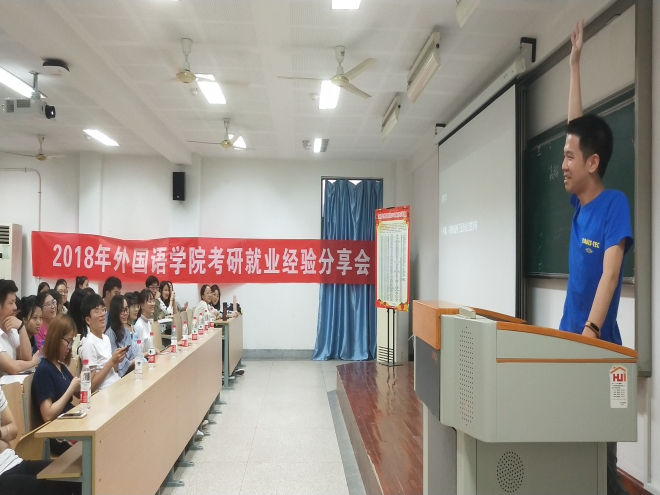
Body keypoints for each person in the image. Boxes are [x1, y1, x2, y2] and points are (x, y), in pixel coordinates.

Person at [561, 21, 633, 495]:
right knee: (571, 453)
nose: (562, 164)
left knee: (602, 464)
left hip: (599, 349)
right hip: (568, 341)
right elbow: (577, 129)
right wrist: (574, 64)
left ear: (593, 163)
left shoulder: (613, 205)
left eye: (570, 157)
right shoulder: (579, 204)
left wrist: (589, 333)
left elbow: (610, 276)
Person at [0, 385, 82, 495]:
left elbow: (13, 429)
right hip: (2, 474)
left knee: (76, 477)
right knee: (57, 488)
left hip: (13, 461)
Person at [32, 314, 80, 455]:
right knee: (95, 441)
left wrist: (84, 381)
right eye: (68, 342)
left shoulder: (60, 366)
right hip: (58, 434)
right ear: (57, 338)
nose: (69, 347)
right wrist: (71, 389)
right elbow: (48, 415)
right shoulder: (44, 370)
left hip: (70, 424)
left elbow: (79, 392)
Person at [79, 294, 126, 392]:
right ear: (88, 320)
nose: (102, 314)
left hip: (116, 383)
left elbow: (112, 372)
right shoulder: (88, 344)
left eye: (103, 309)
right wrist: (112, 361)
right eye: (97, 311)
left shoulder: (106, 338)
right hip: (104, 392)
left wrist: (116, 360)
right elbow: (90, 387)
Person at [0, 280, 39, 377]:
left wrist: (21, 327)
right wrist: (34, 362)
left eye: (15, 302)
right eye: (11, 303)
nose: (15, 307)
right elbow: (12, 368)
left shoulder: (11, 328)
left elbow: (26, 357)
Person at [105, 295, 143, 378]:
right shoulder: (110, 334)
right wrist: (134, 361)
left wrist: (135, 360)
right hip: (117, 376)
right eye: (122, 310)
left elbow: (132, 355)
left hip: (130, 372)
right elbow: (115, 363)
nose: (126, 313)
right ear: (115, 312)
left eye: (126, 309)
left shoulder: (126, 330)